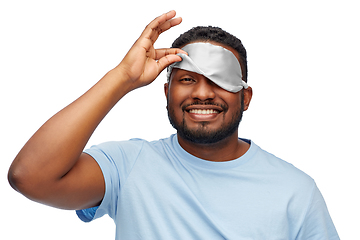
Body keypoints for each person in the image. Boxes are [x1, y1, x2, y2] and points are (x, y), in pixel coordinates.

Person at [8, 10, 339, 239]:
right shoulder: (128, 167)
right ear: (167, 92)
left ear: (246, 97)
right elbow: (30, 177)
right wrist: (122, 78)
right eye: (188, 79)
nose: (202, 93)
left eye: (220, 81)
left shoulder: (296, 192)